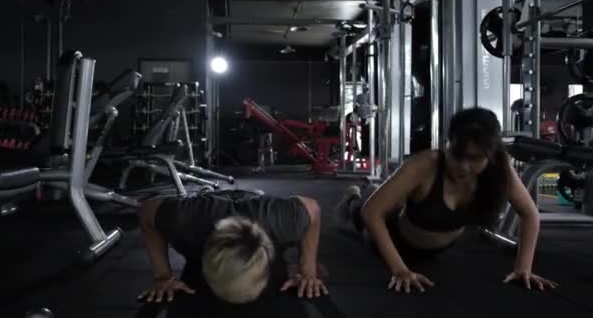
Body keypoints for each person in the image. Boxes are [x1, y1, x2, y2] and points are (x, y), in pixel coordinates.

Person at [334, 107, 558, 294]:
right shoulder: (427, 163)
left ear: (491, 154)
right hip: (396, 239)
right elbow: (372, 213)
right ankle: (353, 196)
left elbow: (529, 214)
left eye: (474, 159)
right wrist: (400, 270)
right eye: (457, 155)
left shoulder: (499, 171)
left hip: (432, 248)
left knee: (387, 201)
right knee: (361, 211)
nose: (463, 166)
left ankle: (377, 193)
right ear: (448, 143)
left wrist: (523, 268)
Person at [138, 189, 327, 304]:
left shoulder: (283, 221)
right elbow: (147, 210)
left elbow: (313, 209)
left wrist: (308, 272)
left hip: (255, 203)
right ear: (206, 268)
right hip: (208, 205)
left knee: (256, 198)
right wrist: (163, 276)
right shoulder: (184, 221)